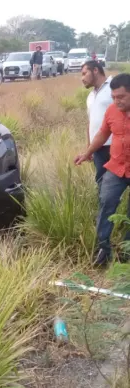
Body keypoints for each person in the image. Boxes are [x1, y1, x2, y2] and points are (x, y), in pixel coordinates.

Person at [74, 73, 130, 266]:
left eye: (121, 97)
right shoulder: (112, 111)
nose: (116, 101)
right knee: (106, 204)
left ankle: (127, 249)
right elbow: (102, 134)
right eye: (114, 97)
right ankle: (103, 249)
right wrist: (87, 153)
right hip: (116, 167)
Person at [81, 60, 112, 185]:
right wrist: (89, 148)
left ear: (95, 70)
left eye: (84, 73)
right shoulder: (90, 96)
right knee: (101, 183)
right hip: (98, 148)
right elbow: (90, 123)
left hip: (115, 145)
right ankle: (104, 205)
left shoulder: (114, 87)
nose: (82, 78)